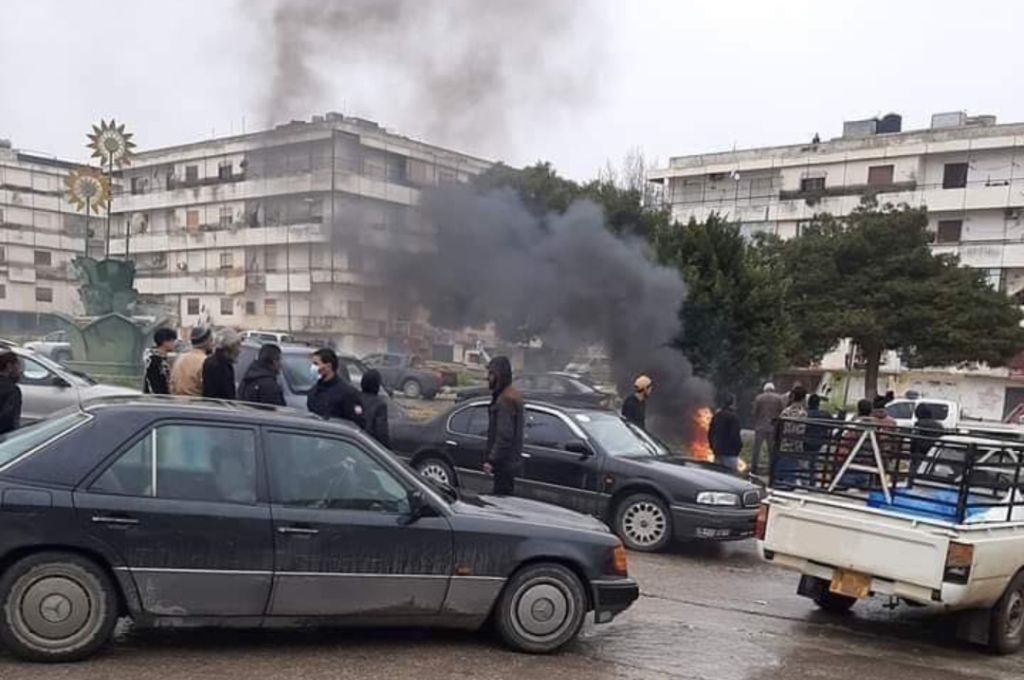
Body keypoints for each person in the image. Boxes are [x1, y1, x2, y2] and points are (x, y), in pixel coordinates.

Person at [483, 356, 524, 496]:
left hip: (503, 465)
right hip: (509, 464)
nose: (487, 378)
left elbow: (504, 436)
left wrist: (491, 460)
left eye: (491, 374)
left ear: (499, 375)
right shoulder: (511, 395)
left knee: (500, 503)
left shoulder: (505, 400)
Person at [307, 348, 365, 428]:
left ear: (328, 366)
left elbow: (356, 425)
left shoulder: (347, 393)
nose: (313, 367)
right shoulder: (313, 391)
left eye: (316, 364)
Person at [775, 384, 808, 483]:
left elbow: (779, 427)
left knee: (781, 471)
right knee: (791, 473)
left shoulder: (785, 411)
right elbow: (801, 431)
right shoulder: (803, 413)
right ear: (803, 398)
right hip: (795, 446)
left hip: (784, 444)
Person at [751, 382, 785, 475]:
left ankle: (753, 468)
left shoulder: (759, 398)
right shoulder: (779, 398)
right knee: (772, 450)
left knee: (756, 449)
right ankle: (772, 469)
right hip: (773, 427)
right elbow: (782, 412)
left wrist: (755, 422)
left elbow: (754, 412)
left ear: (764, 389)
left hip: (760, 427)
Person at [170, 326, 213, 396]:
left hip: (176, 402)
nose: (212, 343)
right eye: (211, 340)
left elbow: (172, 383)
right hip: (197, 404)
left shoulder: (180, 358)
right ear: (206, 342)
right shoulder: (205, 361)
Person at [202, 330, 241, 400]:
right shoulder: (218, 366)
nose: (239, 350)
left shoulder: (221, 363)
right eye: (237, 346)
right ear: (229, 347)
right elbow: (223, 395)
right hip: (218, 408)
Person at [708, 394, 742, 472]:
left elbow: (710, 433)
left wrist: (713, 447)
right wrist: (738, 448)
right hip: (730, 454)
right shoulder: (734, 418)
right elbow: (735, 436)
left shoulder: (716, 416)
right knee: (731, 477)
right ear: (733, 404)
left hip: (717, 452)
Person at [360, 369, 391, 447]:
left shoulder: (353, 398)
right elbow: (381, 433)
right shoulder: (380, 405)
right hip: (368, 447)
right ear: (377, 385)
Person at [911, 402, 945, 471]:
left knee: (916, 470)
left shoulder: (919, 424)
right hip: (935, 452)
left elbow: (914, 440)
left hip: (921, 453)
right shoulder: (939, 425)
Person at [144, 327, 178, 395]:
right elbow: (152, 382)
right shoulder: (153, 361)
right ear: (165, 342)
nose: (174, 343)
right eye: (172, 340)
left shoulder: (162, 359)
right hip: (157, 399)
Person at [0, 352, 22, 436]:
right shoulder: (12, 390)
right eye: (18, 366)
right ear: (9, 366)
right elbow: (9, 420)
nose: (20, 371)